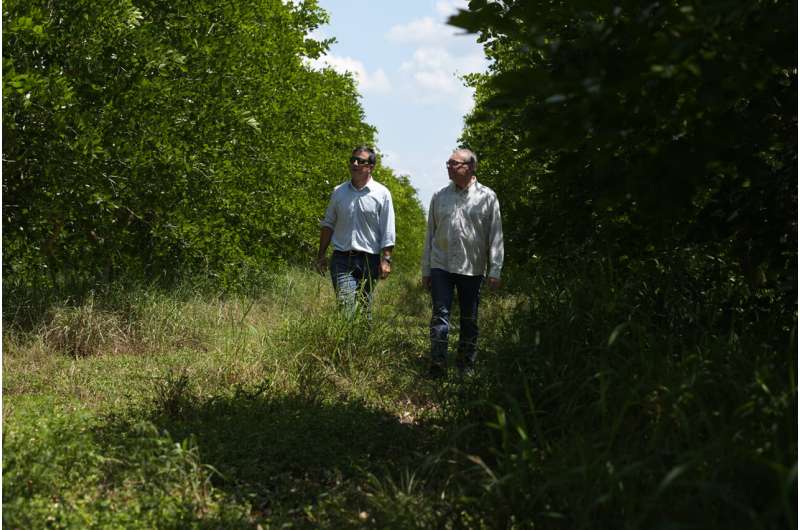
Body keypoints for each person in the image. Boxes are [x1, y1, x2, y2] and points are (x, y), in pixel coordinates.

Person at [421, 148, 504, 378]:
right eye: (448, 163)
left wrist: (495, 269)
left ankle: (465, 364)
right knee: (440, 314)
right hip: (441, 265)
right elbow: (430, 234)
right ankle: (437, 364)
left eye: (454, 163)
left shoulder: (487, 197)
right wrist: (426, 269)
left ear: (470, 167)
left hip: (473, 268)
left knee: (469, 318)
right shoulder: (439, 195)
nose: (448, 166)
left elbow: (495, 235)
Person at [316, 145, 395, 319]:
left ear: (371, 167)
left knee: (364, 308)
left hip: (369, 259)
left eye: (360, 161)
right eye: (352, 160)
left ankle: (361, 345)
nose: (355, 163)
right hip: (342, 258)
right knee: (347, 307)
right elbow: (328, 224)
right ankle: (346, 345)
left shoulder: (382, 194)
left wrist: (386, 259)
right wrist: (321, 254)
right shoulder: (339, 192)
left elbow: (387, 230)